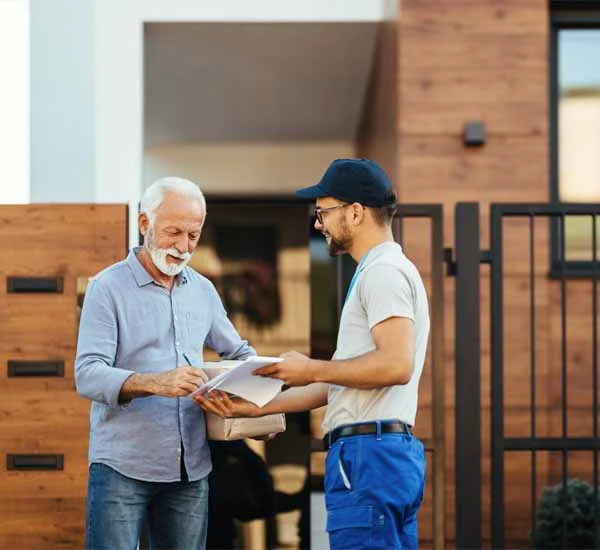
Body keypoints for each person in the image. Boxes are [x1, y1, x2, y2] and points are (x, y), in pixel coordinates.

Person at [195, 159, 430, 550]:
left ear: (355, 212)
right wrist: (257, 408)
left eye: (324, 212)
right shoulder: (381, 270)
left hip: (367, 457)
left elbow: (395, 365)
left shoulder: (383, 273)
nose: (318, 223)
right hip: (379, 455)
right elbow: (338, 382)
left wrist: (307, 368)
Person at [75, 177, 255, 550]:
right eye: (173, 232)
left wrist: (260, 399)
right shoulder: (107, 288)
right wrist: (156, 383)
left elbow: (240, 354)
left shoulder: (204, 290)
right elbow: (88, 374)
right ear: (145, 224)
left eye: (193, 235)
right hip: (121, 468)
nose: (184, 246)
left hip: (191, 471)